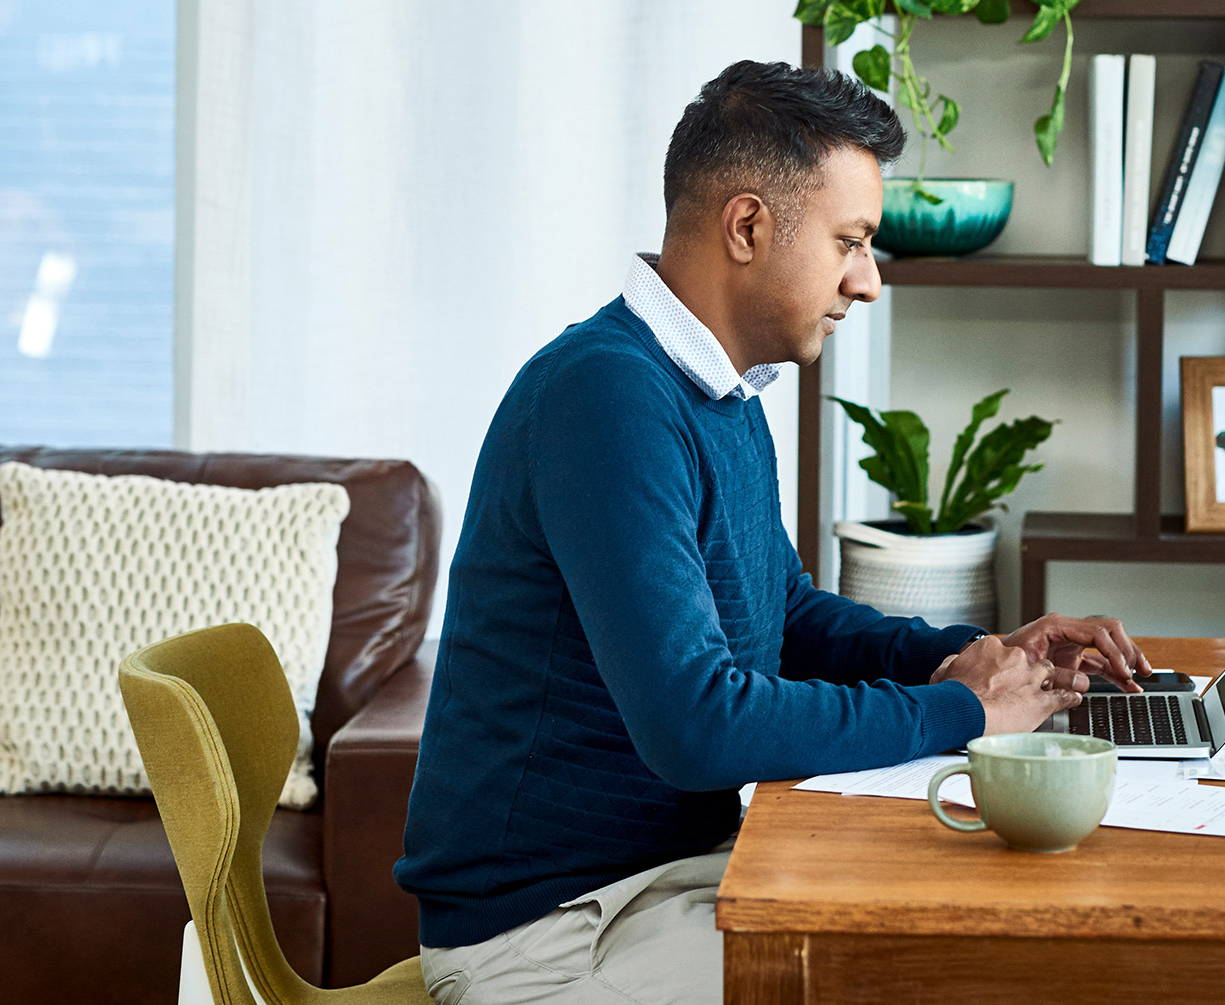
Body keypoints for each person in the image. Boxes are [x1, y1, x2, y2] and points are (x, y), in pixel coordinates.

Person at [395, 59, 1152, 1005]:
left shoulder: (719, 390)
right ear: (748, 226)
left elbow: (783, 616)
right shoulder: (606, 398)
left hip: (665, 880)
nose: (868, 282)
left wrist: (978, 656)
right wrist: (964, 710)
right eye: (850, 241)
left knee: (991, 927)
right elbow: (697, 726)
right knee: (950, 972)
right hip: (549, 933)